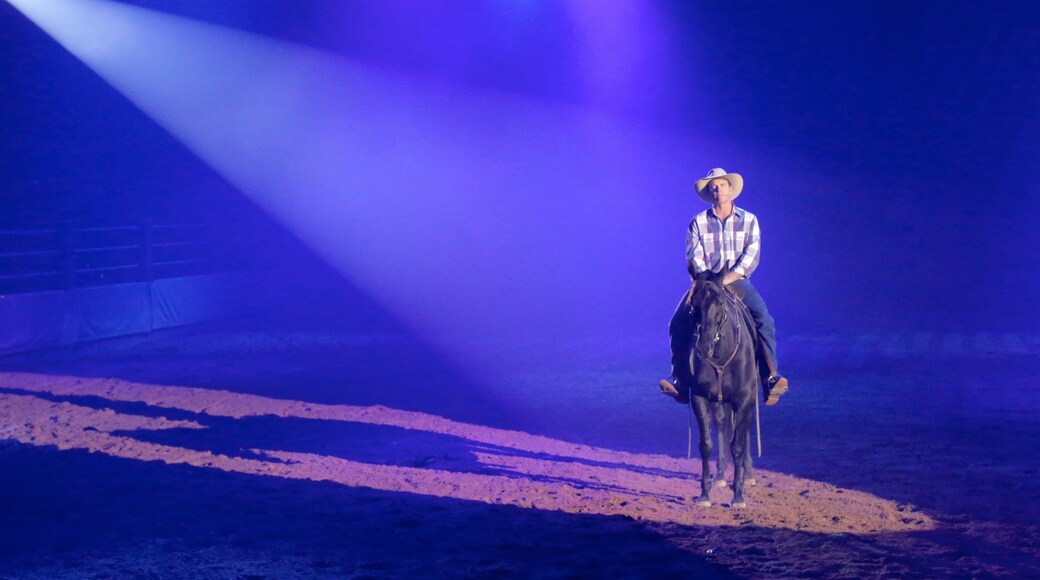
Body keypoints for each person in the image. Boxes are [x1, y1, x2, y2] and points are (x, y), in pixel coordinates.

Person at [659, 167, 789, 405]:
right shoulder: (698, 222)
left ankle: (770, 377)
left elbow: (751, 255)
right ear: (710, 193)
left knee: (764, 320)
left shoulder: (749, 220)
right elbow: (694, 257)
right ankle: (679, 380)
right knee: (677, 322)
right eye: (713, 187)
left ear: (730, 189)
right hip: (705, 284)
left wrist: (726, 279)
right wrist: (708, 281)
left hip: (736, 281)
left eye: (721, 185)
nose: (717, 189)